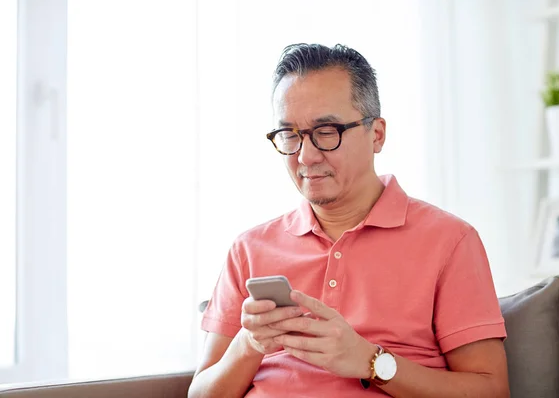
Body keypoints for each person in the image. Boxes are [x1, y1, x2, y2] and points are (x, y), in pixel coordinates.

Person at [188, 43, 509, 398]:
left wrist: (370, 361)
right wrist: (250, 343)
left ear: (377, 135)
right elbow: (201, 393)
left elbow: (491, 390)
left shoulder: (450, 240)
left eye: (326, 132)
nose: (305, 156)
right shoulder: (249, 248)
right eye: (290, 135)